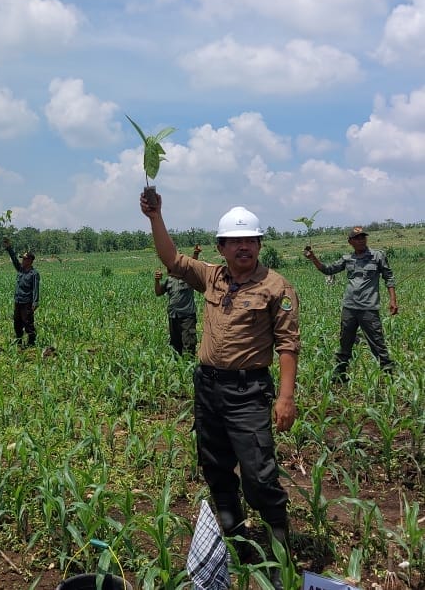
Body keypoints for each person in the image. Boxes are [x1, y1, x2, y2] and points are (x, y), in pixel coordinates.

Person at [142, 197, 298, 589]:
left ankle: (279, 556)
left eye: (250, 241)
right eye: (234, 241)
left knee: (259, 475)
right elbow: (172, 260)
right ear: (221, 247)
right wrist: (156, 216)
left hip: (247, 392)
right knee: (215, 468)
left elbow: (287, 345)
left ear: (260, 245)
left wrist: (285, 397)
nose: (243, 247)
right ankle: (239, 543)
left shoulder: (276, 287)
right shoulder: (212, 277)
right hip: (208, 388)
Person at [304, 226, 398, 381]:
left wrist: (393, 300)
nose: (361, 240)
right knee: (345, 343)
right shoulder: (347, 259)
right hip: (349, 308)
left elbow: (389, 277)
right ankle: (339, 376)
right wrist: (313, 258)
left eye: (363, 237)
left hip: (369, 308)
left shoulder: (377, 256)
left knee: (378, 344)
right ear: (350, 242)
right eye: (357, 238)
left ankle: (389, 376)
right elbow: (328, 270)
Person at [154, 245, 202, 356]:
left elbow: (192, 267)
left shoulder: (187, 278)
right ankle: (178, 369)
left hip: (187, 317)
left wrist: (196, 253)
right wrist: (157, 281)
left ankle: (188, 368)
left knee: (188, 344)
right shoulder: (169, 280)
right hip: (173, 316)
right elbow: (158, 292)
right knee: (175, 345)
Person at [3, 237, 40, 347]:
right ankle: (19, 341)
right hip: (18, 301)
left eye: (24, 259)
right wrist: (9, 248)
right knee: (17, 322)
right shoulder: (20, 270)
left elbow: (35, 289)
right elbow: (14, 259)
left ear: (29, 261)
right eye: (22, 259)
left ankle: (31, 343)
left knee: (28, 323)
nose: (22, 261)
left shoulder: (34, 274)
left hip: (27, 302)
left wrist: (35, 303)